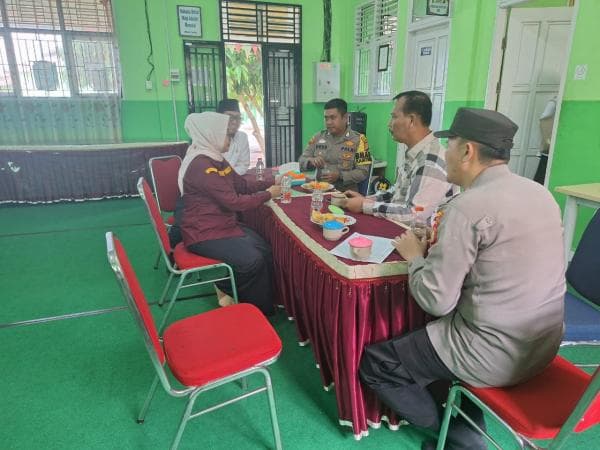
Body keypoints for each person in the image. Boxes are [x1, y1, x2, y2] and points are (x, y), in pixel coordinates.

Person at [359, 108, 565, 450]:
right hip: (542, 345)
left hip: (491, 353)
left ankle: (462, 435)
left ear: (467, 151)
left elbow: (435, 301)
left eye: (450, 144)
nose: (445, 154)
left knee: (379, 362)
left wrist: (415, 257)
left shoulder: (467, 207)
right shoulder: (539, 193)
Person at [178, 112, 281, 316]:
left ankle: (267, 301)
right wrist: (268, 194)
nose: (230, 139)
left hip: (222, 225)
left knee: (266, 250)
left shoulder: (216, 159)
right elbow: (234, 202)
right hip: (204, 232)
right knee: (252, 260)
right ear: (211, 135)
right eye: (226, 135)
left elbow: (241, 184)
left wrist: (271, 180)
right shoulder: (201, 165)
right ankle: (247, 303)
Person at [344, 91, 455, 224]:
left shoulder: (430, 162)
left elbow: (414, 214)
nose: (389, 124)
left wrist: (365, 205)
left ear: (411, 121)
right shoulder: (415, 153)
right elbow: (395, 193)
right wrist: (366, 200)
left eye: (394, 117)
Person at [298, 98, 371, 192]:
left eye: (333, 118)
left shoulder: (360, 140)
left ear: (345, 118)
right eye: (326, 118)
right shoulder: (318, 137)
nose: (328, 122)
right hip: (318, 191)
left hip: (345, 194)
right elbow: (301, 161)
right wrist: (311, 161)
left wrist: (340, 175)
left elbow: (363, 172)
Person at [218, 98, 251, 175]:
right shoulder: (209, 138)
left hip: (233, 179)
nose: (234, 122)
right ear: (219, 118)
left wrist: (225, 174)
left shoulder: (242, 137)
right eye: (230, 117)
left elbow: (243, 165)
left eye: (237, 118)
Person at [533, 96, 557, 184]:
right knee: (541, 177)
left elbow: (543, 118)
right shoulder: (554, 101)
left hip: (548, 148)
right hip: (548, 148)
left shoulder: (555, 101)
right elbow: (544, 119)